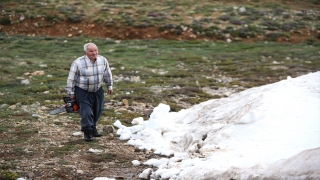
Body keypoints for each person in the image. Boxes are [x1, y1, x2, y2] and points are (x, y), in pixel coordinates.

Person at [65, 43, 113, 141]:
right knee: (86, 112)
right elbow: (71, 79)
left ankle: (93, 128)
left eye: (95, 50)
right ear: (85, 52)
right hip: (83, 91)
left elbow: (107, 74)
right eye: (91, 51)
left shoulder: (103, 60)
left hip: (97, 89)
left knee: (97, 110)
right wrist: (71, 92)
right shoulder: (78, 63)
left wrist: (109, 85)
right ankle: (87, 132)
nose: (94, 53)